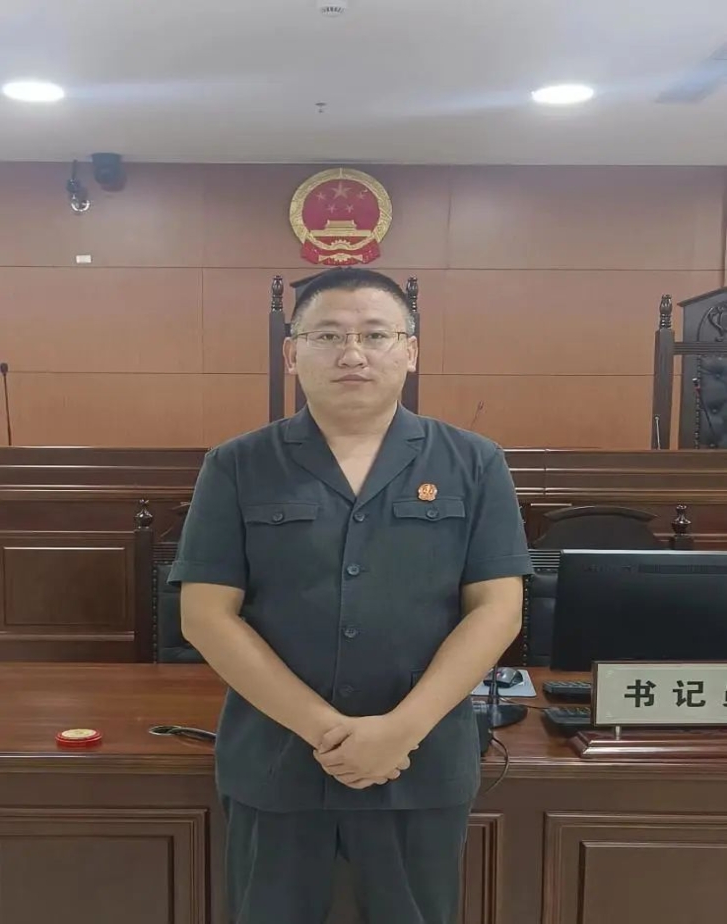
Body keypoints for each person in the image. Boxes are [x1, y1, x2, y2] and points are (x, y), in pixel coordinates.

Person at [168, 267, 532, 924]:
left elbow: (498, 609)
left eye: (375, 334)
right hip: (277, 761)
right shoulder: (237, 465)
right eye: (329, 335)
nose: (353, 354)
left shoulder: (474, 462)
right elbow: (205, 615)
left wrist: (400, 732)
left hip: (420, 762)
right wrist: (328, 732)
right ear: (292, 353)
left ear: (410, 350)